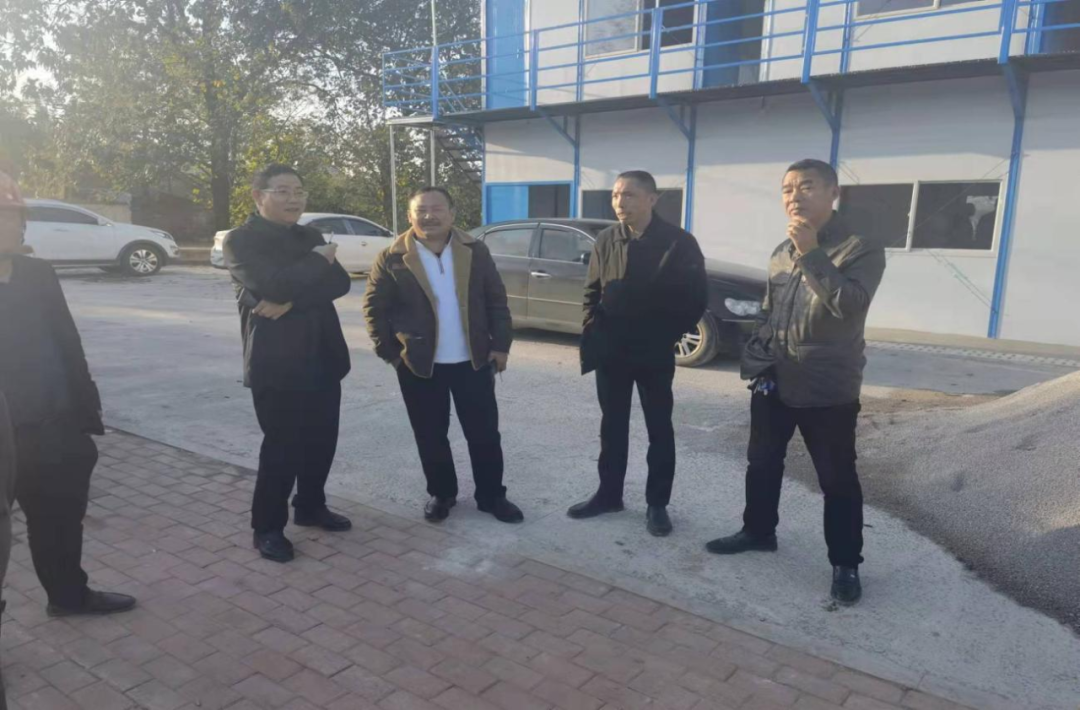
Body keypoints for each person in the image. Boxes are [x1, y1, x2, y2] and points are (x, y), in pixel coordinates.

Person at [705, 159, 886, 605]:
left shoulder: (861, 248)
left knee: (837, 479)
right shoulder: (780, 251)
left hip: (828, 386)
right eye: (787, 189)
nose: (794, 196)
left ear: (833, 193)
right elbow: (769, 311)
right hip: (775, 378)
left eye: (806, 186)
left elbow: (850, 304)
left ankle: (845, 563)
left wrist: (810, 253)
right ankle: (758, 531)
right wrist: (758, 354)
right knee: (762, 463)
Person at [0, 170, 136, 617]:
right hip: (4, 438)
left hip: (53, 427)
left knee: (59, 523)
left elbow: (67, 343)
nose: (11, 224)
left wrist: (83, 411)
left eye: (14, 216)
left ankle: (68, 596)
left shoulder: (36, 273)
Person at [363, 186, 524, 525]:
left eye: (437, 209)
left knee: (484, 434)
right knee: (430, 434)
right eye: (421, 210)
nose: (429, 216)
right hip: (419, 365)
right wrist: (392, 355)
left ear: (452, 213)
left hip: (474, 360)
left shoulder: (475, 251)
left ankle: (492, 496)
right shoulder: (392, 257)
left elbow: (496, 300)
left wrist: (500, 346)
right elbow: (374, 310)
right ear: (410, 216)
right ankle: (442, 493)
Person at [223, 164, 353, 563]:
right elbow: (272, 285)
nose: (294, 199)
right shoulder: (240, 241)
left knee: (321, 441)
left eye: (299, 191)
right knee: (282, 447)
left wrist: (291, 300)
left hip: (323, 356)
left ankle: (310, 506)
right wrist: (317, 261)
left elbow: (339, 283)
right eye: (282, 191)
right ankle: (267, 527)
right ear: (258, 196)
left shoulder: (308, 235)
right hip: (276, 361)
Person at [569, 170, 707, 537]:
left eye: (628, 195)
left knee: (658, 428)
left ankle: (657, 504)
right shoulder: (607, 239)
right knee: (612, 426)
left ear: (652, 199)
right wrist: (592, 327)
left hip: (653, 353)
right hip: (611, 350)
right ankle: (609, 494)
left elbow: (695, 299)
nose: (620, 202)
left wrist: (664, 336)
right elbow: (592, 290)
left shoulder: (679, 243)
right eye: (616, 195)